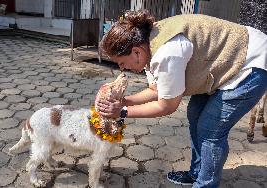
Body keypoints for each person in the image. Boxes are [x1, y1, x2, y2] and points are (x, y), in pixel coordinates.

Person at [95, 10, 267, 188]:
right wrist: (125, 101)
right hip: (220, 65)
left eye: (122, 63)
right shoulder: (147, 45)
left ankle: (205, 184)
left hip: (248, 63)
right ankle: (197, 172)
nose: (123, 69)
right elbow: (157, 89)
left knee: (210, 131)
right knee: (195, 115)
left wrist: (122, 112)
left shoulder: (166, 52)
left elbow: (167, 106)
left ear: (136, 52)